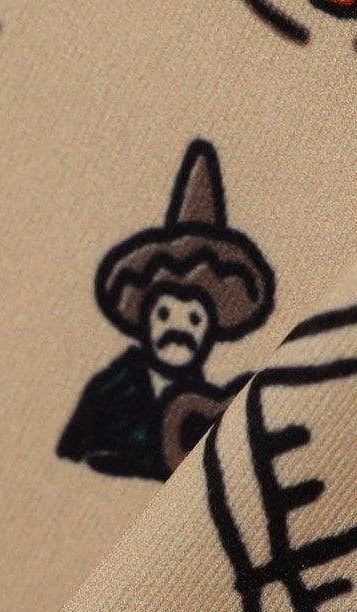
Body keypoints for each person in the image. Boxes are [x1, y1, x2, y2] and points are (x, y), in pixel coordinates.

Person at [58, 138, 275, 481]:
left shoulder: (204, 403)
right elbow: (81, 459)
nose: (179, 329)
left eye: (194, 319)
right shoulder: (112, 391)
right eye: (164, 314)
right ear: (143, 318)